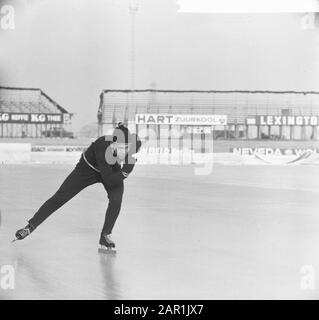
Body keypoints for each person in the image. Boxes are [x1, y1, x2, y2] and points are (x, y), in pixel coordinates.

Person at [14, 123, 142, 250]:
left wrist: (126, 164)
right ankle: (30, 226)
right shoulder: (102, 146)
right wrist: (124, 173)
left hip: (111, 169)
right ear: (113, 143)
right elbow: (109, 180)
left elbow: (130, 153)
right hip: (87, 170)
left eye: (127, 147)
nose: (125, 151)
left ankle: (105, 235)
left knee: (116, 200)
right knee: (60, 197)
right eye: (122, 147)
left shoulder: (130, 147)